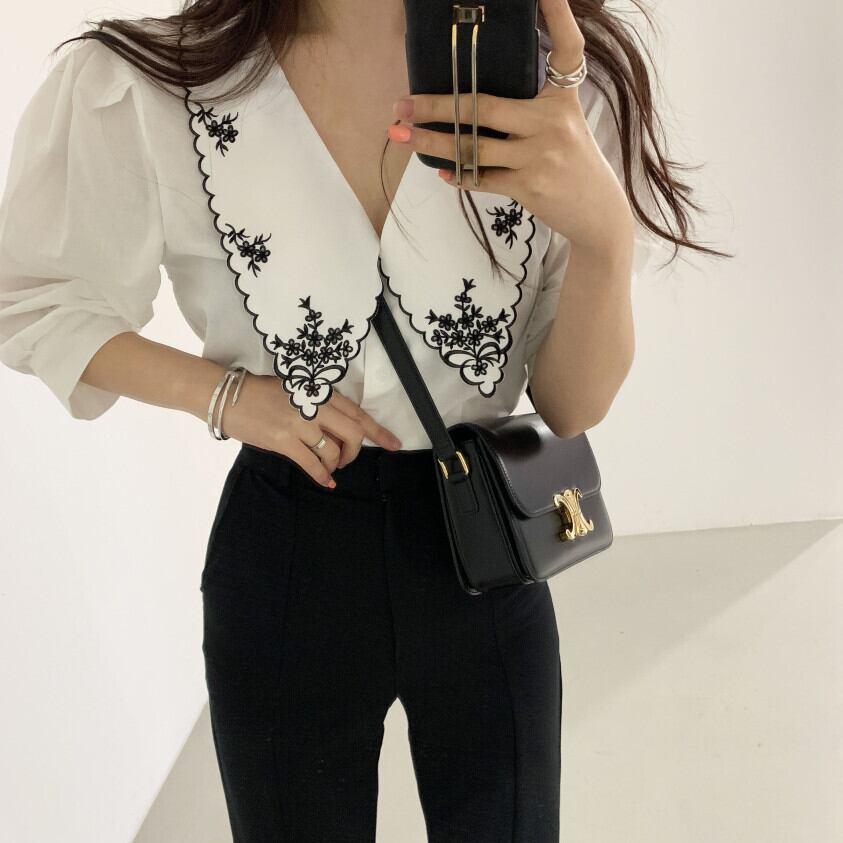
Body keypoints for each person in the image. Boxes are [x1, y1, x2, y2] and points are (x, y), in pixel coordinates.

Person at [0, 0, 725, 839]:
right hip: (287, 552)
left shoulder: (551, 72)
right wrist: (227, 396)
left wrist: (603, 233)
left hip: (484, 547)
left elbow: (574, 404)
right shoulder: (154, 81)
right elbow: (35, 298)